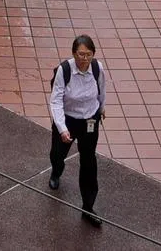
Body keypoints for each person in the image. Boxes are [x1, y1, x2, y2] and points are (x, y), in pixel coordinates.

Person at [48, 34, 107, 227]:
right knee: (58, 152)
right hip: (68, 119)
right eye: (81, 54)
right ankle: (56, 171)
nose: (85, 59)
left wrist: (101, 108)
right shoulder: (64, 71)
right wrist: (62, 128)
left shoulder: (98, 68)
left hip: (89, 120)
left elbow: (102, 90)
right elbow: (56, 101)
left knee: (89, 162)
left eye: (88, 54)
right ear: (74, 54)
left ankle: (88, 207)